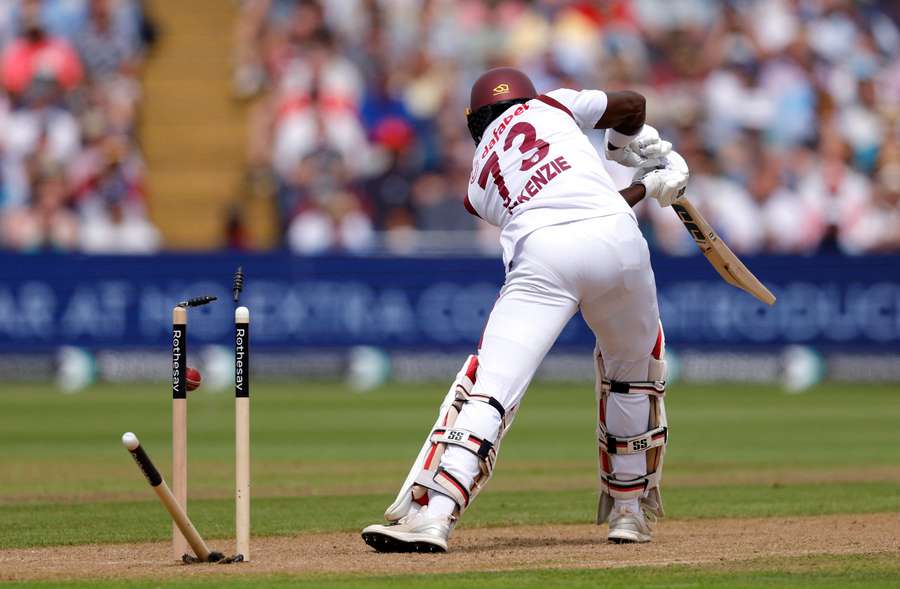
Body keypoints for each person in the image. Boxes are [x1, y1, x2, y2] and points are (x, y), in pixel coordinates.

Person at [361, 67, 689, 552]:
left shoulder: (476, 183)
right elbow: (633, 105)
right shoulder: (553, 104)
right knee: (632, 375)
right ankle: (628, 512)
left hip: (544, 256)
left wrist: (640, 179)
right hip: (620, 241)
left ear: (475, 122)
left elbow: (558, 210)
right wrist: (634, 158)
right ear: (526, 98)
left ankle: (435, 516)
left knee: (490, 391)